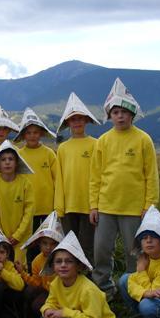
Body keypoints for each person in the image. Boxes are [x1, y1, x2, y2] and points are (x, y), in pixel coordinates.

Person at [90, 78, 160, 300]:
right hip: (106, 207)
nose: (120, 116)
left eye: (124, 112)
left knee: (135, 253)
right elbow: (95, 177)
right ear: (109, 115)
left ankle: (134, 291)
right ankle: (104, 291)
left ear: (132, 114)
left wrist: (149, 206)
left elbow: (151, 175)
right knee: (101, 250)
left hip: (134, 208)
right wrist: (93, 206)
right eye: (115, 112)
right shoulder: (103, 141)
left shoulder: (143, 140)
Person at [38, 231, 118, 318]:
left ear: (79, 266)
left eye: (69, 261)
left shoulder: (88, 289)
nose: (63, 265)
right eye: (58, 261)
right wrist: (47, 309)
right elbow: (51, 302)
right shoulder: (56, 283)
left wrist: (65, 313)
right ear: (53, 266)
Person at [54, 92, 100, 263]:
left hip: (89, 205)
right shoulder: (63, 148)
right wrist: (59, 207)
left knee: (88, 247)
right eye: (73, 119)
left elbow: (99, 176)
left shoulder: (96, 144)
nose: (77, 122)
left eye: (80, 118)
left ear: (86, 120)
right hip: (68, 206)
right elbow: (59, 179)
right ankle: (71, 277)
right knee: (70, 246)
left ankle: (88, 277)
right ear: (67, 123)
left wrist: (96, 204)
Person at [15, 107, 57, 268]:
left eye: (35, 132)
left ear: (41, 134)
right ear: (23, 135)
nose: (32, 136)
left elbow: (57, 179)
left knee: (47, 242)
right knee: (31, 242)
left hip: (47, 206)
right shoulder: (19, 154)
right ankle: (32, 271)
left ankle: (49, 270)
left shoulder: (49, 153)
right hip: (27, 208)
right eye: (28, 133)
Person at [0, 140, 35, 264]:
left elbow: (29, 211)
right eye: (3, 159)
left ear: (16, 163)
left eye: (11, 159)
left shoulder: (25, 184)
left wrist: (18, 235)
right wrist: (1, 235)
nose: (7, 162)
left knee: (19, 266)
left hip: (22, 236)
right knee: (2, 265)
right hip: (0, 236)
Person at [16, 211, 63, 317]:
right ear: (39, 243)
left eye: (53, 244)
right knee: (29, 293)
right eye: (45, 243)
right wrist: (22, 273)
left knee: (38, 304)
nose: (48, 247)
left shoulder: (62, 259)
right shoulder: (37, 261)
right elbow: (36, 283)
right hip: (46, 290)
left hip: (61, 293)